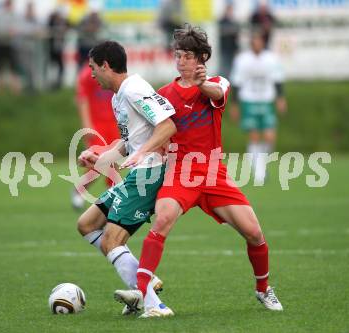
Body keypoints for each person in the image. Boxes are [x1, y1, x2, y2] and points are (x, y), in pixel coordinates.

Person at [114, 24, 283, 314]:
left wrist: (201, 84)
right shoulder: (164, 94)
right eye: (178, 55)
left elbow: (217, 93)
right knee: (162, 220)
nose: (181, 61)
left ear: (202, 58)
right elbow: (147, 132)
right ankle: (143, 293)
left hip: (214, 173)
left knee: (254, 233)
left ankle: (263, 289)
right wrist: (111, 153)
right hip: (181, 171)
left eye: (188, 56)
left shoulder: (217, 82)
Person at [76, 40, 177, 317]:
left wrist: (143, 152)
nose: (92, 74)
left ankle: (153, 304)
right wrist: (100, 159)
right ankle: (145, 282)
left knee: (111, 241)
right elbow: (127, 142)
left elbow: (168, 125)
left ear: (106, 66)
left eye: (93, 68)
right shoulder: (118, 95)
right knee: (86, 224)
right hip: (139, 170)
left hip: (150, 172)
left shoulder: (134, 89)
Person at [229, 30, 287, 183]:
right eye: (254, 41)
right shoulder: (242, 59)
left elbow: (278, 80)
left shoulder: (271, 58)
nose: (257, 43)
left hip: (267, 100)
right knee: (254, 136)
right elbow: (236, 82)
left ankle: (261, 163)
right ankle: (259, 172)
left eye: (259, 40)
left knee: (269, 136)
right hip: (249, 100)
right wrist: (234, 105)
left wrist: (280, 98)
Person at [71, 61, 120, 210]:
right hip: (97, 125)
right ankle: (79, 190)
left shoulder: (114, 71)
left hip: (114, 123)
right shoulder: (88, 73)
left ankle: (111, 195)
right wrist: (87, 125)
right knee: (98, 163)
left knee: (115, 161)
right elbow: (82, 99)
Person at [218, 2, 240, 78]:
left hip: (232, 48)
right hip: (224, 48)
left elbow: (236, 35)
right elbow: (222, 31)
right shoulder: (222, 20)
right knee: (224, 66)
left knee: (231, 66)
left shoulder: (234, 22)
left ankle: (228, 82)